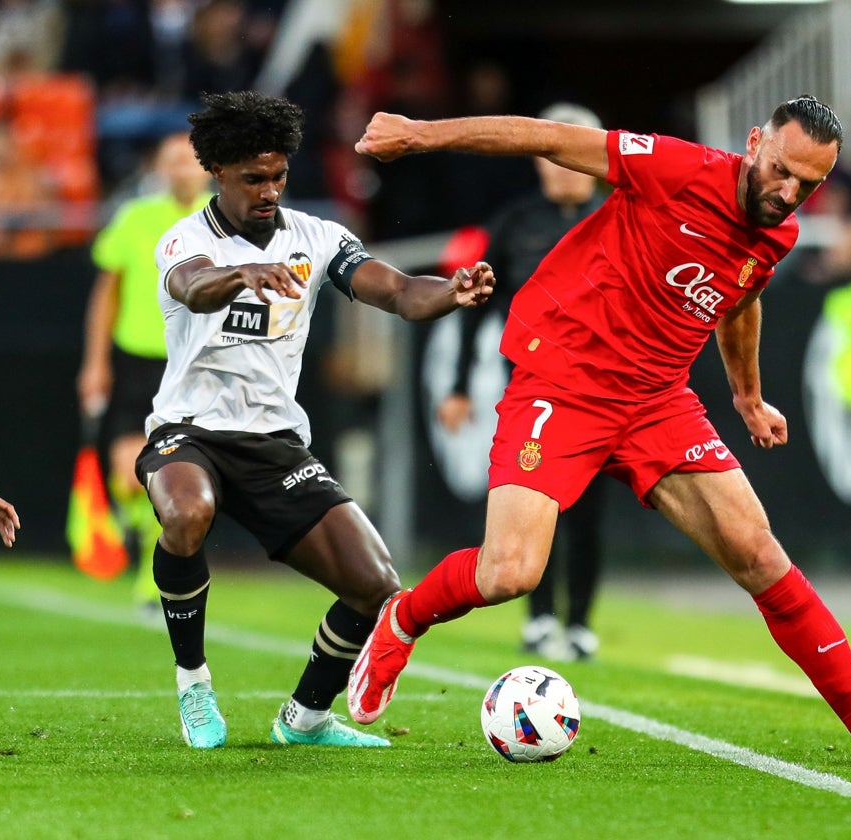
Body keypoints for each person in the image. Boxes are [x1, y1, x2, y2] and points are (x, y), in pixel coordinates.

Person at [346, 96, 851, 767]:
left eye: (808, 185)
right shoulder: (674, 167)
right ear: (755, 141)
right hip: (563, 378)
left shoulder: (776, 232)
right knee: (510, 573)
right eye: (781, 170)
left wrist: (748, 399)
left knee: (758, 553)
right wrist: (421, 131)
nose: (788, 193)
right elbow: (547, 136)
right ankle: (403, 620)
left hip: (656, 400)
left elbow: (739, 302)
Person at [136, 91, 494, 750]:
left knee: (375, 586)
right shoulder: (185, 239)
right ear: (218, 172)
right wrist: (242, 270)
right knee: (186, 514)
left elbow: (397, 292)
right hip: (190, 433)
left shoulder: (319, 238)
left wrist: (450, 292)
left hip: (274, 442)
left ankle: (303, 719)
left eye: (278, 175)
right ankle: (193, 684)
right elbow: (191, 286)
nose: (269, 189)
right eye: (253, 178)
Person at [437, 102, 608, 661]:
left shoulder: (618, 216)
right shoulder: (514, 222)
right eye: (551, 155)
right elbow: (477, 306)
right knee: (534, 503)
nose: (562, 167)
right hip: (533, 389)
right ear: (539, 159)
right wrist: (459, 386)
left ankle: (579, 622)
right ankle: (538, 619)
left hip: (606, 390)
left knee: (585, 511)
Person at [78, 132, 213, 612]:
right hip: (136, 357)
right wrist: (95, 362)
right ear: (159, 167)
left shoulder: (221, 221)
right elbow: (106, 292)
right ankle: (146, 552)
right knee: (126, 472)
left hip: (193, 362)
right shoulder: (135, 218)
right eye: (172, 159)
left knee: (177, 470)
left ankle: (153, 570)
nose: (181, 169)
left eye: (190, 160)